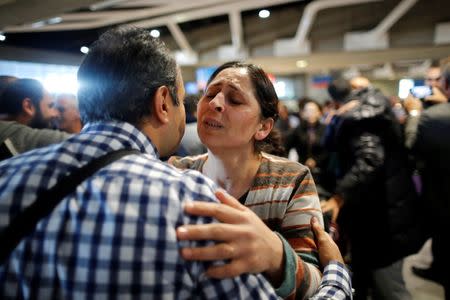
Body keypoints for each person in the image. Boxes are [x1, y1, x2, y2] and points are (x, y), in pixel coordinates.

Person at [0, 27, 279, 299]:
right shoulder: (188, 199)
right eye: (181, 101)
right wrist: (321, 272)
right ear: (162, 103)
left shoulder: (7, 176)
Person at [170, 61, 323, 299]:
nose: (215, 103)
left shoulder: (291, 179)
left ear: (262, 127)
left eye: (235, 100)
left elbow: (315, 285)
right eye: (210, 93)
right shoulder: (177, 172)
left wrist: (275, 256)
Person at [322, 77, 425, 300]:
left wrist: (339, 197)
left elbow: (369, 160)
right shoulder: (375, 109)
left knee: (390, 286)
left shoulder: (361, 117)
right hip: (382, 210)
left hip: (380, 217)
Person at [404, 57, 450, 298]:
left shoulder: (434, 117)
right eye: (429, 80)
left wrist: (413, 113)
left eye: (437, 81)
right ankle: (437, 269)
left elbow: (411, 145)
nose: (433, 85)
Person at [0, 77, 69, 159]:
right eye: (50, 106)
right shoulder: (16, 134)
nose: (56, 114)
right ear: (28, 106)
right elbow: (79, 143)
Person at [285, 99, 333, 197]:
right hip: (303, 171)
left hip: (323, 173)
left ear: (319, 112)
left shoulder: (326, 129)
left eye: (314, 110)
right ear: (303, 113)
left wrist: (316, 160)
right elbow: (286, 147)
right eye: (308, 111)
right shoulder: (298, 130)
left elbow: (330, 150)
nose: (311, 113)